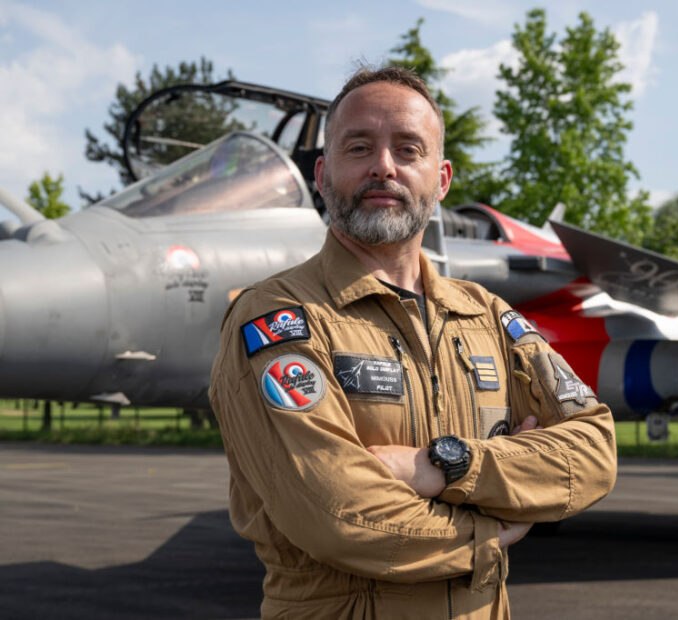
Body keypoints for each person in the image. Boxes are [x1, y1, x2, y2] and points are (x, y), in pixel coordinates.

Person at [209, 66, 617, 619]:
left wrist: (446, 465)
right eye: (359, 148)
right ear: (324, 174)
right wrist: (491, 531)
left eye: (408, 149)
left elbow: (593, 450)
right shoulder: (280, 317)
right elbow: (337, 515)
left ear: (442, 179)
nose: (384, 166)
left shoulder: (487, 317)